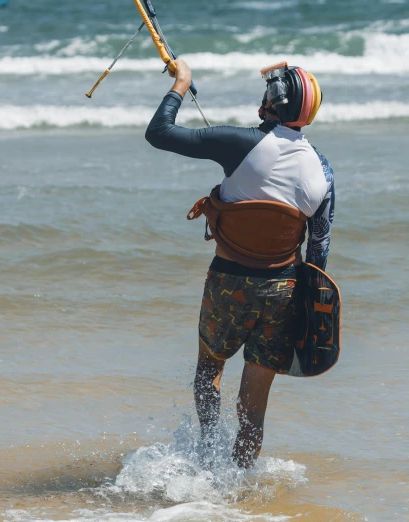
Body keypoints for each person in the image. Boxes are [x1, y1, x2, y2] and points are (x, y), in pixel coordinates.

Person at [145, 58, 335, 468]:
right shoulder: (323, 171)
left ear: (272, 100)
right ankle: (241, 487)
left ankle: (208, 459)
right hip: (284, 292)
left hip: (229, 283)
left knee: (207, 373)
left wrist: (182, 83)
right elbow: (318, 250)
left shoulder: (238, 142)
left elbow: (158, 133)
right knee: (254, 405)